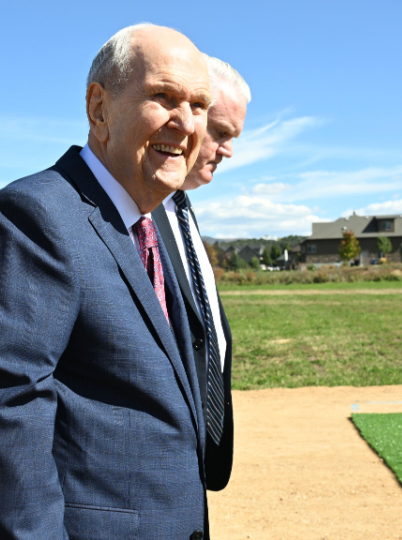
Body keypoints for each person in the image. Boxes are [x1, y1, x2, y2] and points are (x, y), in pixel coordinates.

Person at [0, 24, 214, 540]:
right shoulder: (32, 216)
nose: (185, 122)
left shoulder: (149, 224)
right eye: (163, 97)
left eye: (199, 105)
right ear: (99, 108)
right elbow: (6, 409)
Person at [151, 54, 251, 492]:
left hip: (183, 474)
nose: (228, 150)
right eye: (222, 133)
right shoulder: (136, 213)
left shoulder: (180, 208)